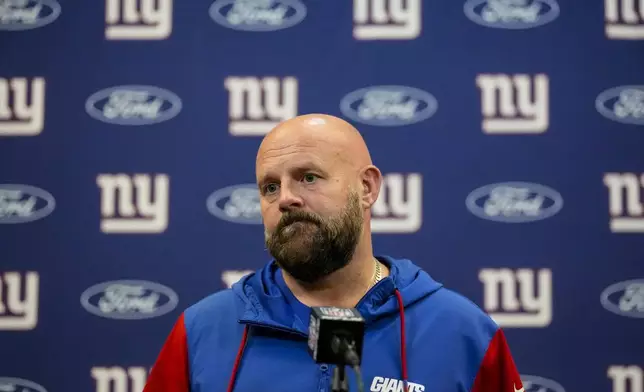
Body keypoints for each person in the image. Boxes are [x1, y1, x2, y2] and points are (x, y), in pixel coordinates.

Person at [142, 114, 525, 392]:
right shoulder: (202, 332)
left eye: (309, 177)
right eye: (270, 187)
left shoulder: (462, 333)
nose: (286, 198)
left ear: (367, 188)